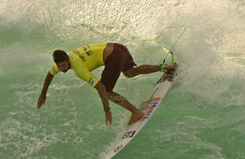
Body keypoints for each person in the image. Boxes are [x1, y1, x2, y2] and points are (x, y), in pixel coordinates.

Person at [37, 42, 177, 125]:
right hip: (118, 47)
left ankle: (136, 113)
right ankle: (165, 67)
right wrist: (43, 94)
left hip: (113, 56)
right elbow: (50, 74)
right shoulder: (61, 63)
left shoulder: (79, 69)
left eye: (63, 65)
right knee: (130, 72)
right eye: (59, 66)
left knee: (107, 92)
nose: (62, 69)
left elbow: (100, 87)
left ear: (68, 59)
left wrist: (107, 110)